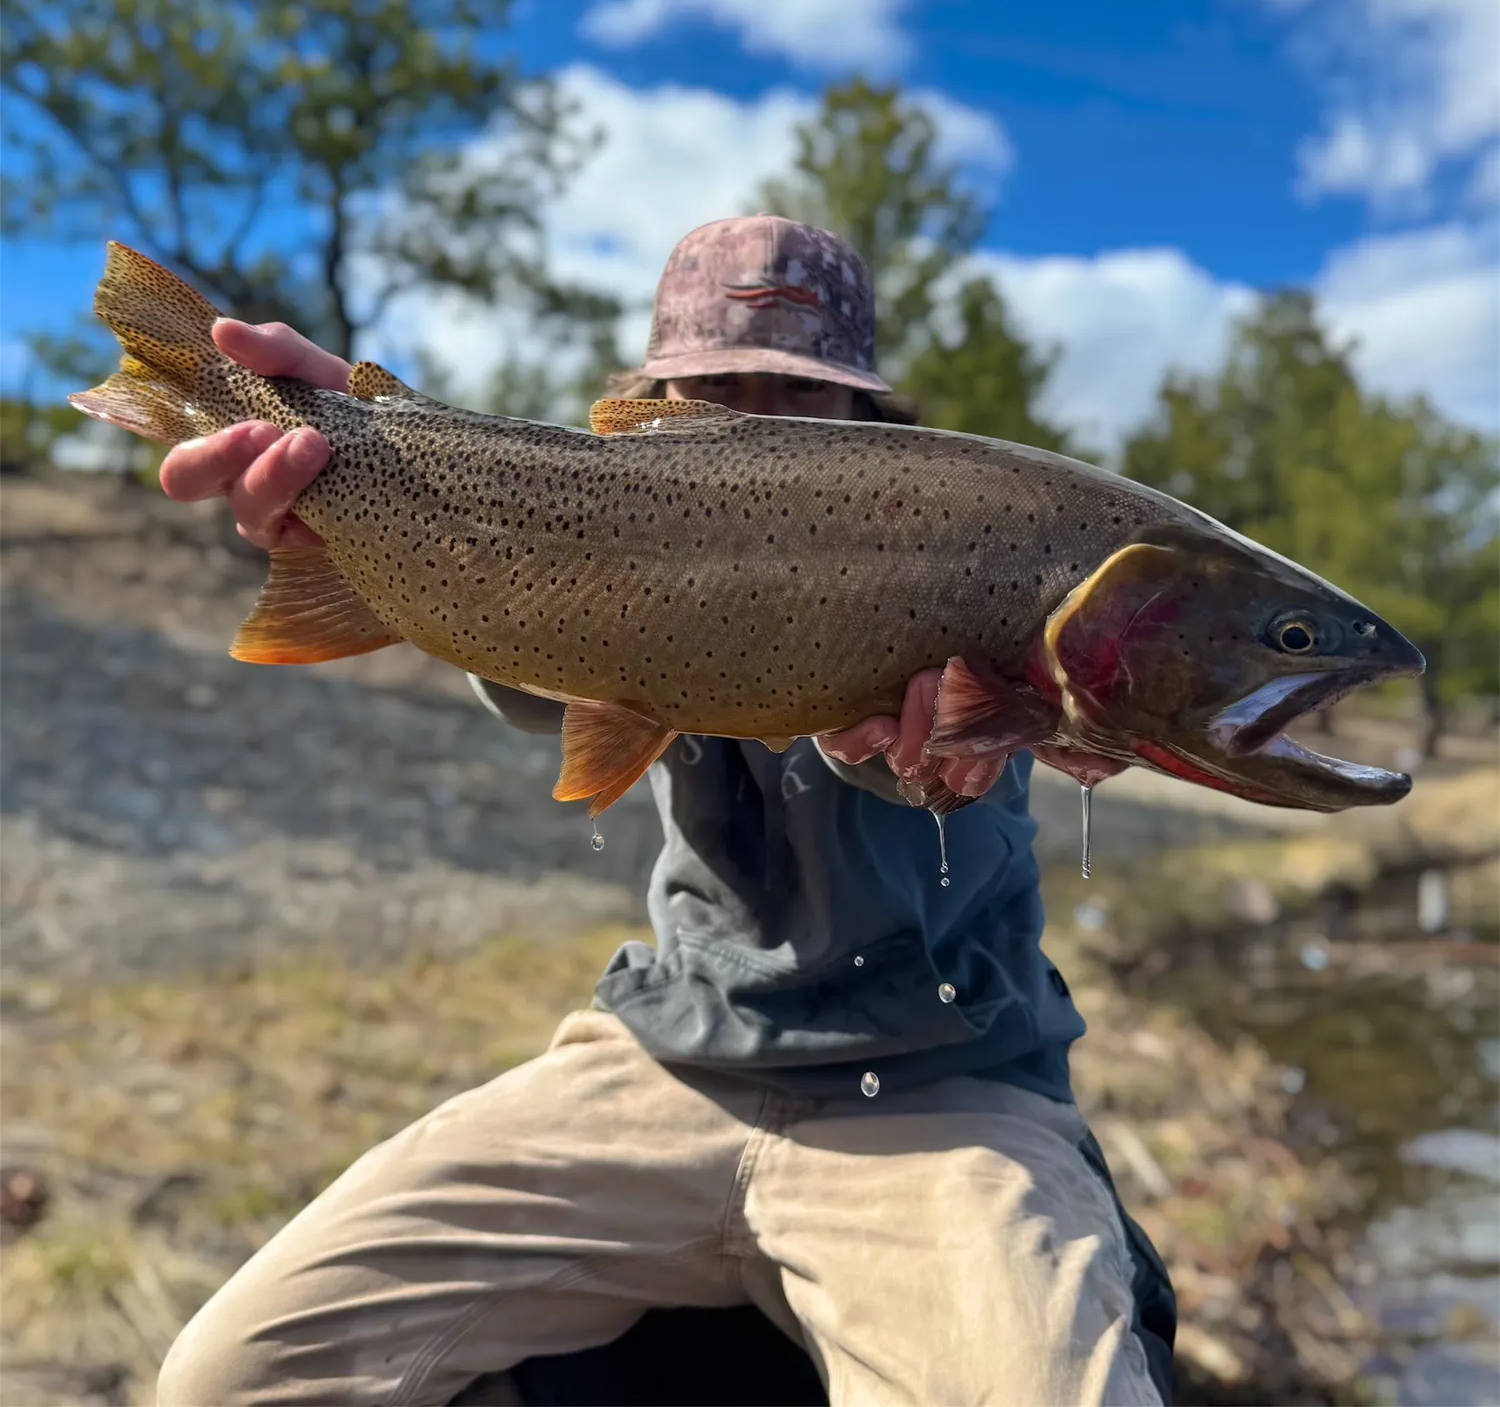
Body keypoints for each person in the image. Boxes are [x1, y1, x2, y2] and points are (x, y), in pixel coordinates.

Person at [154, 215, 1176, 1407]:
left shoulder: (988, 551)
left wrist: (931, 744)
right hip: (665, 1057)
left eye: (798, 396)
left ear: (877, 429)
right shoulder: (629, 539)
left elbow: (954, 762)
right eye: (715, 392)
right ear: (653, 407)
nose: (756, 419)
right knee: (228, 1379)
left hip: (943, 1094)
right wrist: (357, 464)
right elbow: (538, 676)